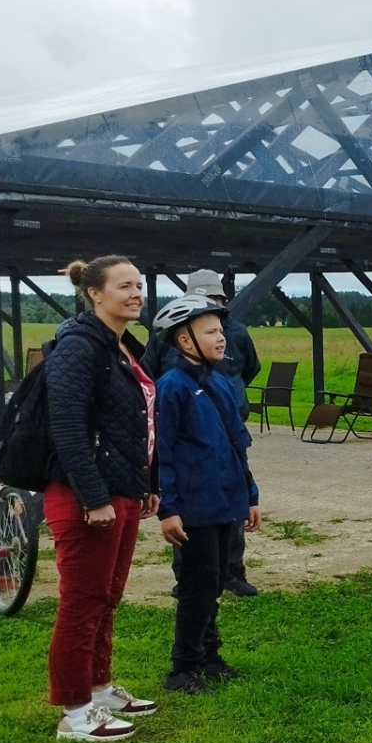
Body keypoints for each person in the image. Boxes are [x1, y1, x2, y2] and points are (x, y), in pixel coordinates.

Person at [46, 256, 160, 742]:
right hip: (85, 495)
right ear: (94, 293)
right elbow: (68, 426)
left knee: (107, 595)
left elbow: (133, 425)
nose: (136, 294)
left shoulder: (117, 347)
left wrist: (145, 484)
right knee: (83, 600)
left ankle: (99, 687)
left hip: (121, 490)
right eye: (124, 286)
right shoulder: (79, 345)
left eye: (139, 285)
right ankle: (75, 712)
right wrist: (94, 497)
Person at [151, 294, 262, 695]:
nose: (222, 339)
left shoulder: (219, 382)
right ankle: (182, 670)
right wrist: (169, 508)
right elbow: (160, 452)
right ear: (184, 342)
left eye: (220, 330)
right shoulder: (172, 388)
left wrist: (249, 495)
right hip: (193, 509)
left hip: (224, 502)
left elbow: (236, 443)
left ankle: (210, 657)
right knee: (196, 588)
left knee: (215, 582)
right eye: (211, 332)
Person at [145, 269, 263, 599]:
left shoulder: (236, 334)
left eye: (215, 301)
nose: (210, 306)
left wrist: (230, 392)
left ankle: (233, 572)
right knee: (194, 510)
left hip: (227, 425)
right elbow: (148, 372)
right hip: (186, 429)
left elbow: (251, 367)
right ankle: (186, 576)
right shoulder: (169, 352)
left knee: (229, 497)